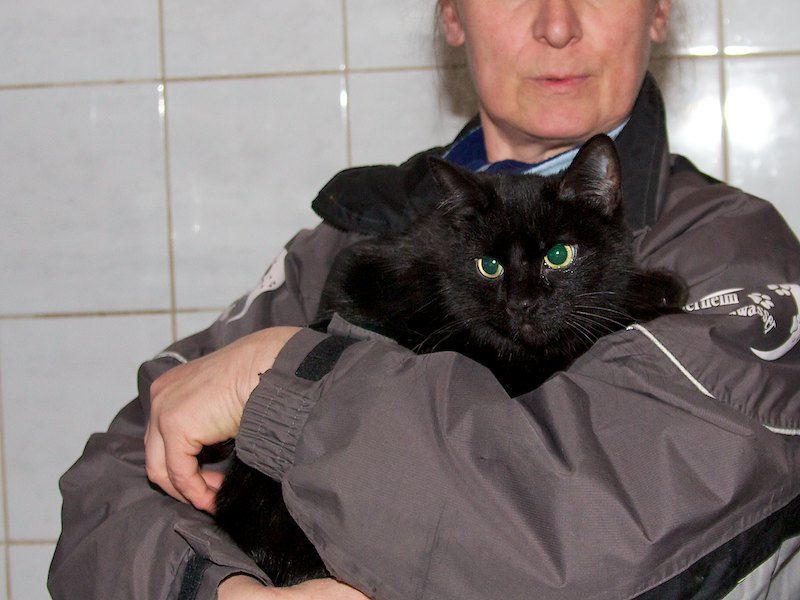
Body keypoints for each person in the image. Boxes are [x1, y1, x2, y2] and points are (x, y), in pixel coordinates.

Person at [49, 0, 800, 598]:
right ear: (452, 15)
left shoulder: (733, 255)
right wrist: (221, 588)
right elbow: (109, 488)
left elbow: (586, 536)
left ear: (658, 11)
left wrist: (284, 383)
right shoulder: (343, 240)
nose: (557, 23)